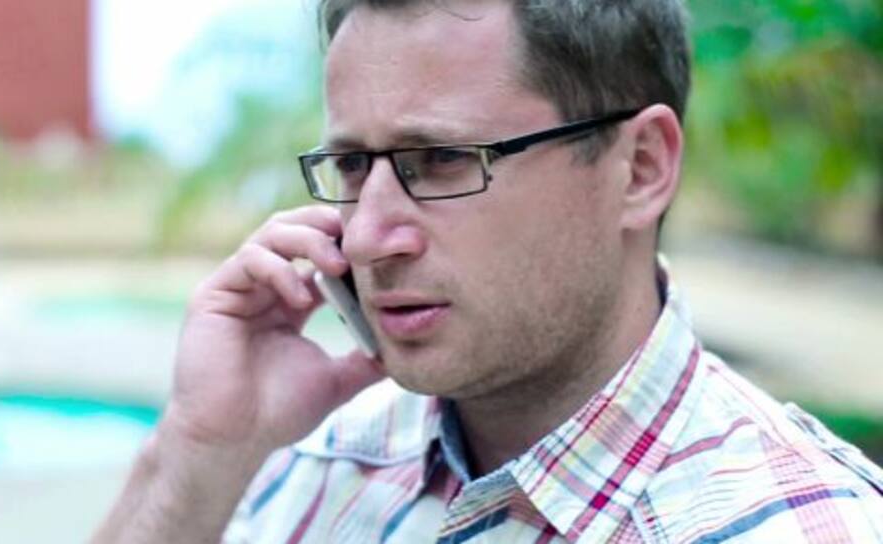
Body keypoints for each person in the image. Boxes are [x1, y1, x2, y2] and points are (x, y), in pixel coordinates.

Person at [92, 0, 883, 541]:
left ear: (640, 167)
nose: (366, 237)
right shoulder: (320, 462)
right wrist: (197, 450)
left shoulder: (801, 526)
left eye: (442, 159)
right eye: (353, 165)